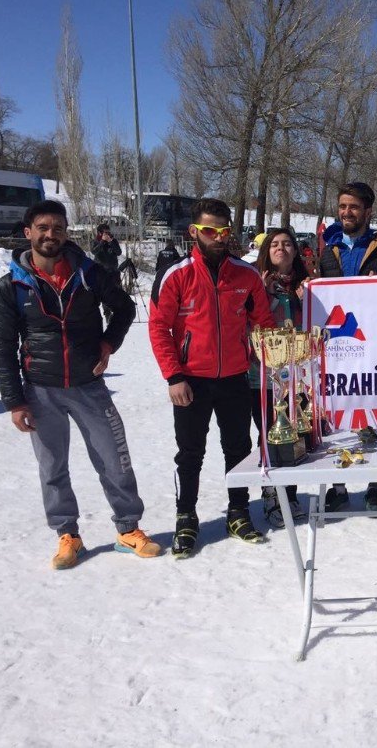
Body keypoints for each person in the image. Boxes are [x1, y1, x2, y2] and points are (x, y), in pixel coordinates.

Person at [0, 199, 160, 569]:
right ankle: (67, 535)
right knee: (52, 467)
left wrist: (108, 343)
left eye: (58, 228)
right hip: (40, 389)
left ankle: (128, 528)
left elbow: (125, 309)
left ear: (67, 232)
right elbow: (2, 348)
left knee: (115, 459)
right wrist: (14, 402)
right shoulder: (11, 287)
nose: (51, 234)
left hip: (89, 384)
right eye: (43, 228)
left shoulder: (90, 273)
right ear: (28, 232)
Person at [149, 197, 276, 557]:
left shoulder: (246, 274)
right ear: (194, 232)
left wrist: (268, 353)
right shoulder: (177, 275)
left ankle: (238, 512)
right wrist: (174, 376)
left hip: (235, 377)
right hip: (191, 379)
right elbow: (159, 328)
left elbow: (263, 323)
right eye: (209, 231)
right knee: (190, 453)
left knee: (238, 449)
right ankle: (186, 517)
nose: (218, 238)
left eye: (224, 231)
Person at [319, 182, 377, 513]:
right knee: (337, 413)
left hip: (375, 345)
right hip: (338, 345)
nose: (346, 213)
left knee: (375, 414)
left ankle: (374, 485)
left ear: (368, 212)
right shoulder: (328, 249)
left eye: (353, 207)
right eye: (342, 206)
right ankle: (338, 486)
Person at [249, 227, 309, 528]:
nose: (281, 248)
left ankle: (291, 494)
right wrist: (263, 292)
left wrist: (304, 299)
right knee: (268, 436)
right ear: (266, 250)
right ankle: (271, 495)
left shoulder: (303, 286)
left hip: (295, 375)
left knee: (292, 434)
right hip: (261, 374)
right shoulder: (255, 282)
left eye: (287, 243)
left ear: (295, 252)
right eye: (274, 244)